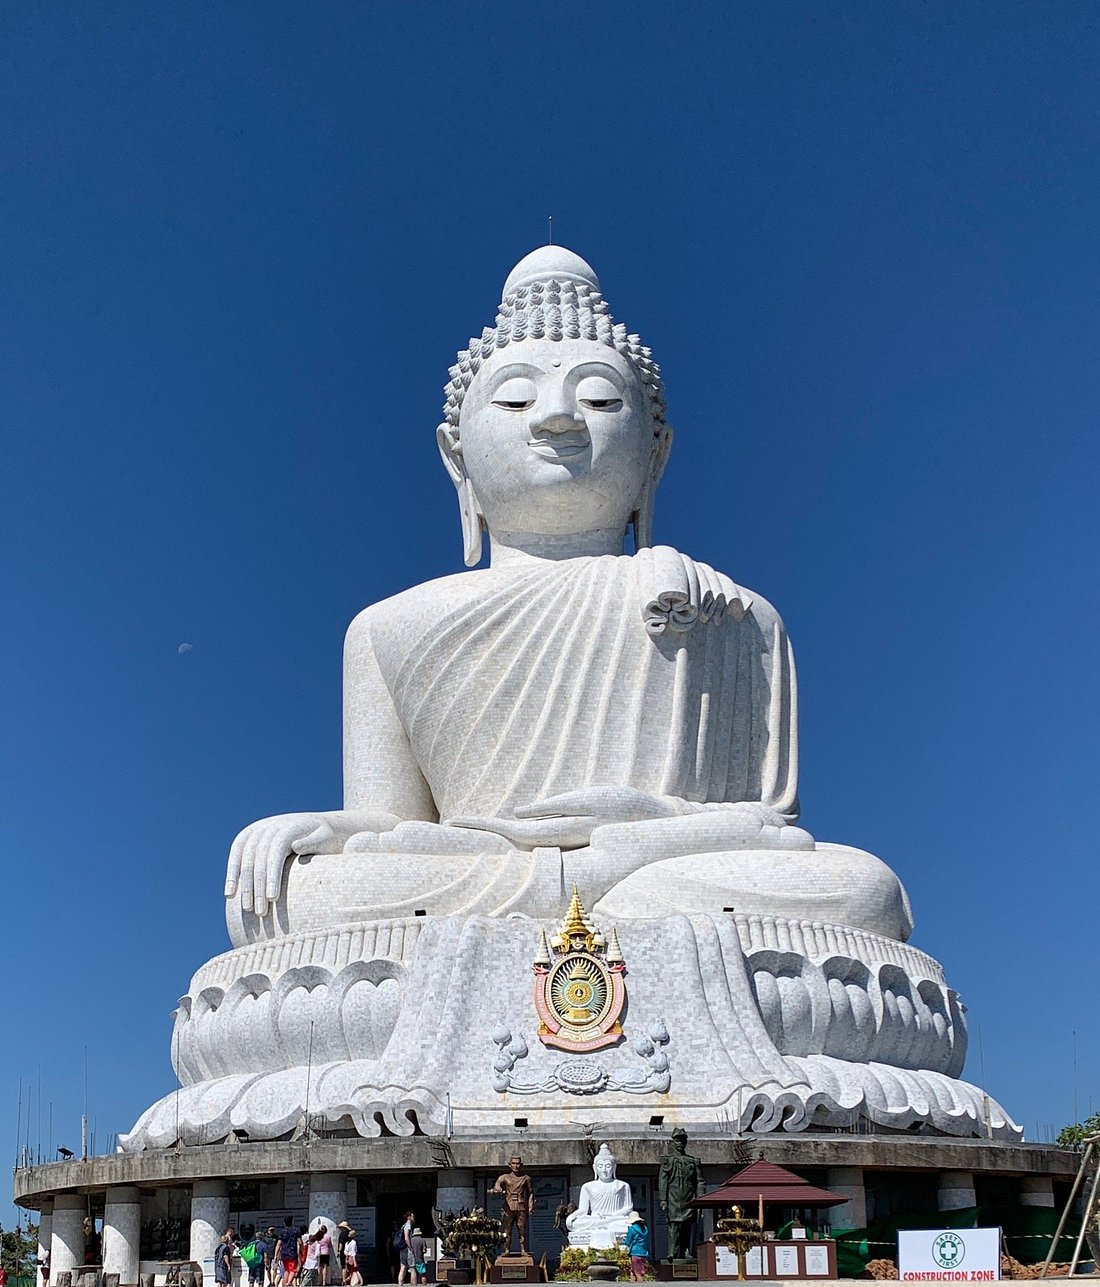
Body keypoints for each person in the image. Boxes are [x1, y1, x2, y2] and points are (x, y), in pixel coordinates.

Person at [491, 1156, 535, 1256]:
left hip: (521, 1206)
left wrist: (531, 1205)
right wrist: (498, 1189)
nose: (516, 1166)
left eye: (518, 1163)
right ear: (510, 1165)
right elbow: (497, 1185)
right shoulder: (505, 1177)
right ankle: (506, 1250)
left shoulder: (526, 1178)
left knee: (522, 1229)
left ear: (521, 1165)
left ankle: (523, 1250)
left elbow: (530, 1192)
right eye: (514, 1163)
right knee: (507, 1230)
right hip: (508, 1206)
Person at [623, 1212, 650, 1282]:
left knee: (637, 1273)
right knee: (633, 1271)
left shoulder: (632, 1229)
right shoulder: (645, 1228)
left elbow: (628, 1242)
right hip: (643, 1252)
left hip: (635, 1252)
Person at [275, 1217, 301, 1287]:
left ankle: (284, 1284)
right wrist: (301, 1250)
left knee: (286, 1270)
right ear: (292, 1222)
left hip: (284, 1254)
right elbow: (300, 1242)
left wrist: (276, 1255)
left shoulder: (282, 1231)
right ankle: (289, 1282)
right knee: (292, 1270)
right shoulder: (296, 1230)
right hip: (292, 1253)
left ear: (284, 1223)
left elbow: (278, 1244)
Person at [397, 1212, 414, 1287]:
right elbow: (406, 1238)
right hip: (407, 1249)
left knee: (403, 1266)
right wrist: (411, 1247)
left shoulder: (403, 1226)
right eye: (413, 1216)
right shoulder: (408, 1225)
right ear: (409, 1217)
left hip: (402, 1248)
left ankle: (400, 1283)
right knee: (412, 1267)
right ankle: (414, 1284)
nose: (414, 1218)